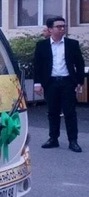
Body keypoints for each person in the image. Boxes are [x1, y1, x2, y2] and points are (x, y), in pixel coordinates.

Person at [34, 16, 83, 153]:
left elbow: (79, 64)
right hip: (51, 83)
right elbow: (37, 66)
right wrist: (37, 83)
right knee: (52, 112)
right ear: (50, 29)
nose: (62, 28)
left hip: (68, 82)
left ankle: (73, 141)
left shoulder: (72, 44)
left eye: (63, 26)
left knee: (70, 113)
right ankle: (53, 139)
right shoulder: (42, 46)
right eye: (58, 26)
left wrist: (79, 81)